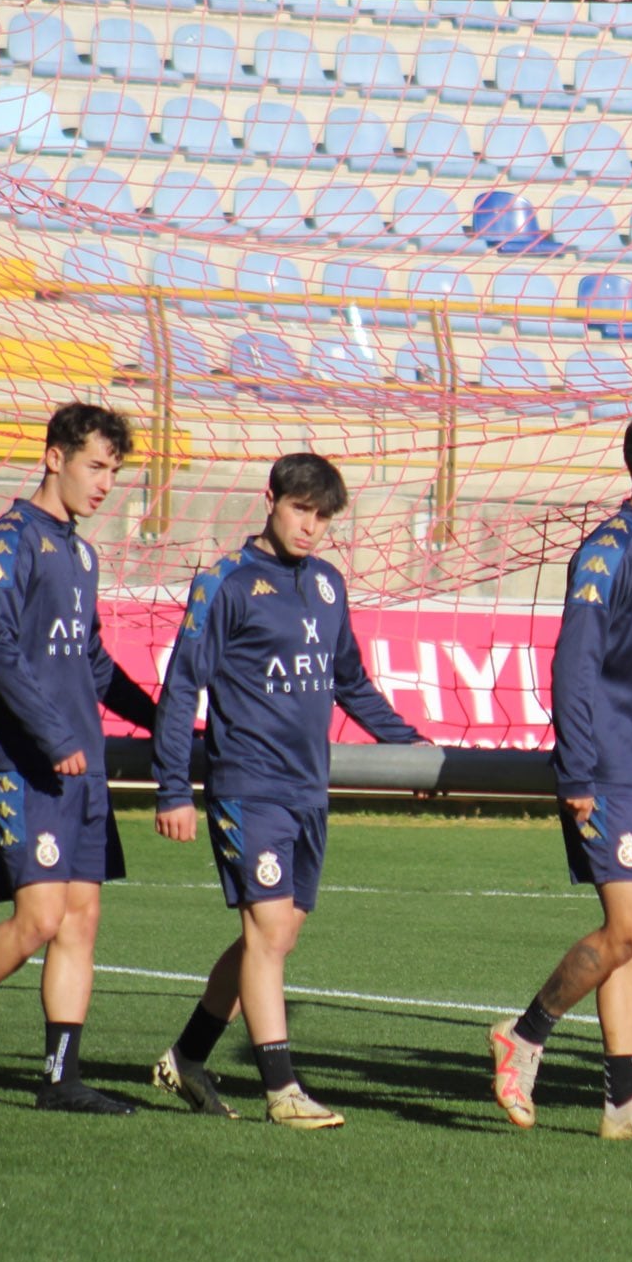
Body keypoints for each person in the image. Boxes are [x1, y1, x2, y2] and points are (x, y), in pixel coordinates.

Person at [149, 453, 425, 1130]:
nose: (313, 526)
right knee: (268, 931)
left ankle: (186, 1057)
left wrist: (412, 748)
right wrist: (171, 790)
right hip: (248, 783)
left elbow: (351, 681)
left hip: (308, 790)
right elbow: (183, 684)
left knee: (275, 936)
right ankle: (283, 1089)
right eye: (302, 509)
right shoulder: (225, 582)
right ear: (270, 499)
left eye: (324, 515)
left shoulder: (327, 585)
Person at [0, 403, 157, 1113]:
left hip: (82, 768)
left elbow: (94, 662)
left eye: (115, 470)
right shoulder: (7, 541)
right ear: (54, 458)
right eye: (96, 465)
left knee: (80, 921)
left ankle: (60, 1079)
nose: (106, 483)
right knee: (40, 920)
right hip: (27, 761)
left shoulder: (80, 553)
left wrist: (160, 716)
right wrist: (52, 737)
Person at [488, 407, 632, 1147]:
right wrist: (578, 766)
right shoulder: (608, 551)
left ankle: (625, 1101)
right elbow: (573, 664)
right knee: (629, 928)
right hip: (609, 773)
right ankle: (525, 1035)